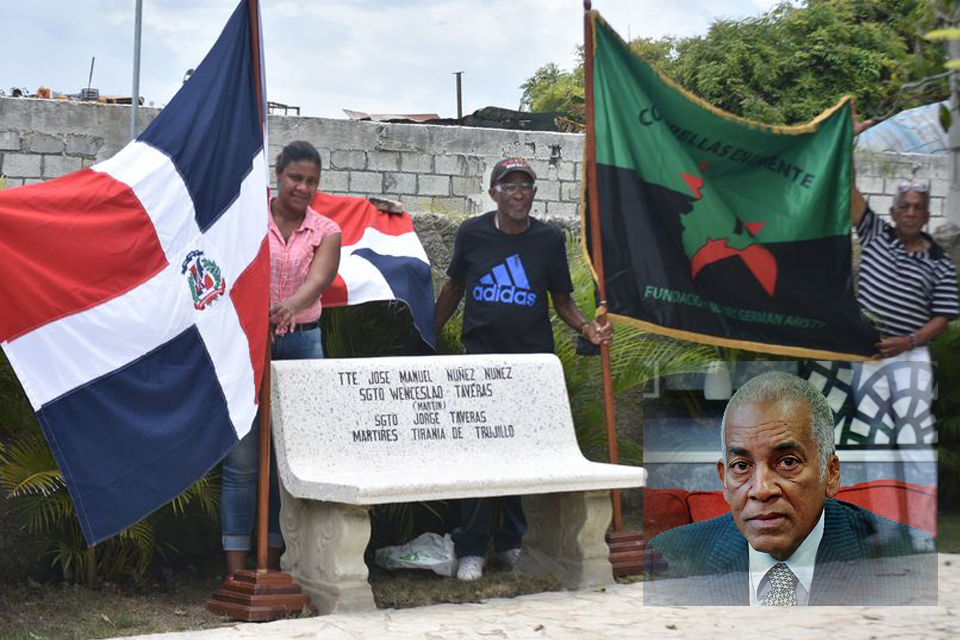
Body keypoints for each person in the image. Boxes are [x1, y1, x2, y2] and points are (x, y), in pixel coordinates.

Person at [434, 157, 613, 581]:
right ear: (493, 192)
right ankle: (472, 548)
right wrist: (428, 333)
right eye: (509, 186)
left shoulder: (548, 240)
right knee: (477, 456)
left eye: (525, 187)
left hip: (530, 365)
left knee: (519, 455)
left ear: (533, 193)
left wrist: (587, 328)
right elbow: (454, 286)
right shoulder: (472, 234)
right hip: (480, 362)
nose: (518, 194)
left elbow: (562, 300)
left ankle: (512, 542)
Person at [644, 371, 937, 606]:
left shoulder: (909, 560)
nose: (761, 490)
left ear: (831, 473)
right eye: (742, 466)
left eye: (787, 462)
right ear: (724, 478)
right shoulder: (670, 559)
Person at [220, 140, 341, 576]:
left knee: (289, 462)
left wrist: (290, 305)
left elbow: (320, 278)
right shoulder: (247, 219)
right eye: (295, 177)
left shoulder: (326, 231)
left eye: (311, 181)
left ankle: (274, 564)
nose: (303, 187)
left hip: (303, 344)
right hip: (247, 345)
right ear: (278, 173)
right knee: (242, 461)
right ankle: (236, 570)